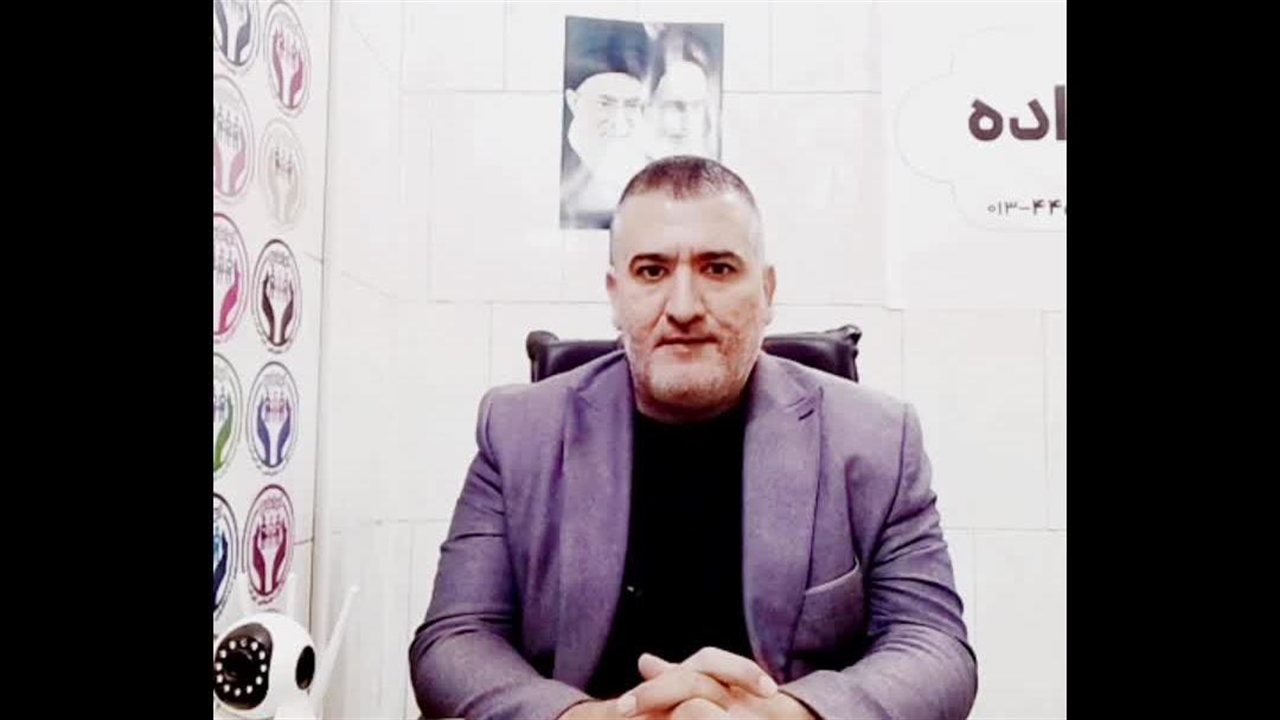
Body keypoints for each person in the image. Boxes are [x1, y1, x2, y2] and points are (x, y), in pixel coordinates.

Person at [410, 156, 977, 720]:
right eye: (651, 272)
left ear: (767, 290)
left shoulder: (877, 440)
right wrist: (587, 718)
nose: (683, 308)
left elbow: (934, 647)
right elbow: (456, 638)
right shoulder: (517, 431)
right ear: (615, 293)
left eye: (719, 269)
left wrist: (791, 715)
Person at [560, 19, 653, 229]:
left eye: (631, 105)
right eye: (605, 104)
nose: (620, 124)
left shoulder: (650, 171)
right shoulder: (558, 168)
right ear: (573, 101)